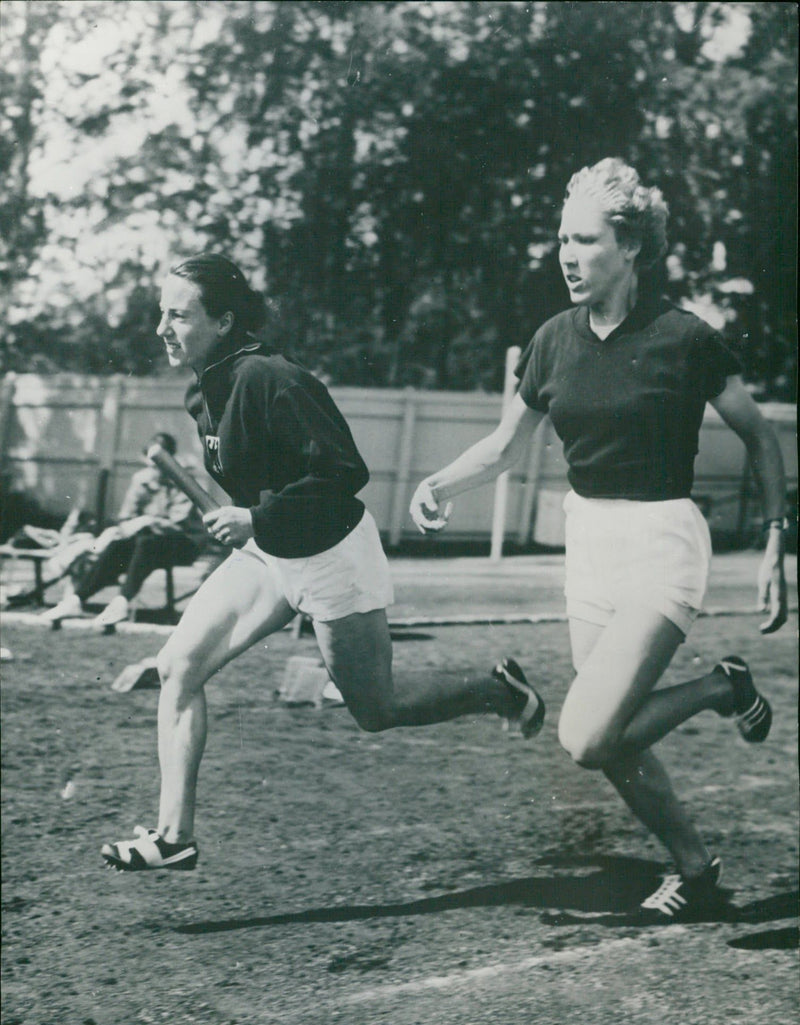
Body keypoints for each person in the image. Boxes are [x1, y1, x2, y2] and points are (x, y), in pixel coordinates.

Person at [410, 158, 788, 922]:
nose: (568, 256)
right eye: (561, 240)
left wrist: (779, 537)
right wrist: (438, 484)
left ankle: (720, 686)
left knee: (585, 735)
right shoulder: (552, 339)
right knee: (613, 737)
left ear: (632, 246)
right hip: (588, 542)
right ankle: (695, 866)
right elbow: (506, 445)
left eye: (585, 240)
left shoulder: (686, 338)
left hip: (661, 542)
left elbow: (760, 436)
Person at [100, 252, 545, 872]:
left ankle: (497, 690)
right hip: (271, 553)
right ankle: (174, 837)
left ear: (225, 322)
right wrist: (254, 524)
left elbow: (343, 474)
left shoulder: (271, 377)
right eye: (162, 314)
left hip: (333, 554)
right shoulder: (203, 392)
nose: (162, 328)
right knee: (178, 667)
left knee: (376, 710)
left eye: (179, 315)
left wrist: (256, 518)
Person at [43, 433, 205, 628]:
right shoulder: (141, 480)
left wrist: (146, 521)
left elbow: (178, 522)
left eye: (160, 465)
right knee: (118, 546)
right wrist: (141, 523)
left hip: (184, 543)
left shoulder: (182, 479)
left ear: (170, 459)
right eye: (151, 465)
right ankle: (76, 600)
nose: (155, 471)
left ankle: (121, 602)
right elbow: (126, 516)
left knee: (145, 543)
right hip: (146, 543)